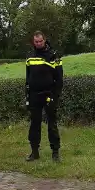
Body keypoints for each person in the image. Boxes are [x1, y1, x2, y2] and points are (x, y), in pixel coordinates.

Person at [25, 31, 63, 161]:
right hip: (34, 94)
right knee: (34, 124)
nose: (38, 44)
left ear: (44, 40)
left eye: (40, 41)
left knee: (52, 124)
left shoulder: (53, 55)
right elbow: (27, 77)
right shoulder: (30, 56)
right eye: (36, 42)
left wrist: (55, 96)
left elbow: (59, 79)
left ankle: (55, 152)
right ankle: (34, 151)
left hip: (49, 94)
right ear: (33, 42)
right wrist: (27, 95)